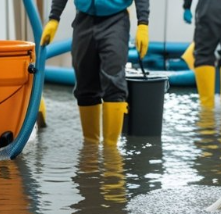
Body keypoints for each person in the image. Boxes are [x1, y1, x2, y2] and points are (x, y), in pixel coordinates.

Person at [41, 0, 150, 146]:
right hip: (83, 19)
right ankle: (90, 148)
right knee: (84, 83)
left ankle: (111, 150)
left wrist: (143, 23)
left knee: (113, 82)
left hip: (115, 20)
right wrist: (54, 17)